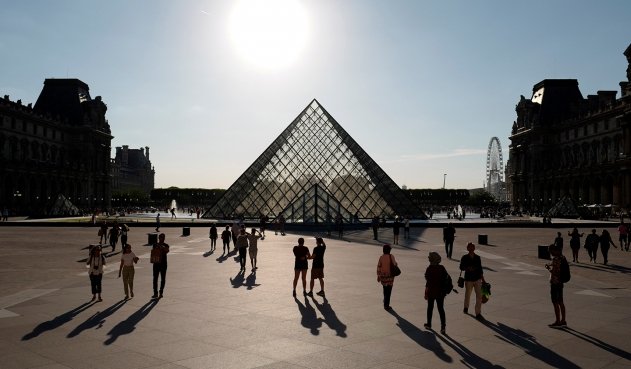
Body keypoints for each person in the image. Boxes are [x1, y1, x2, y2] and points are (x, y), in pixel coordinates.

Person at [459, 242, 485, 320]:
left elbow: (480, 269)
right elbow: (461, 267)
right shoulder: (464, 257)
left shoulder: (477, 257)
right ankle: (466, 307)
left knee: (479, 296)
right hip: (468, 279)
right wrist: (467, 268)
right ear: (467, 248)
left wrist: (483, 279)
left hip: (477, 279)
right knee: (468, 294)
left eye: (472, 247)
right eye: (469, 247)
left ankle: (478, 313)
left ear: (474, 248)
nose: (471, 248)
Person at [424, 252, 447, 334]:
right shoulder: (442, 268)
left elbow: (427, 280)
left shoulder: (429, 268)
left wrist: (426, 292)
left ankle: (429, 324)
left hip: (431, 291)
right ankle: (443, 327)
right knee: (441, 309)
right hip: (440, 292)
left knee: (430, 308)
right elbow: (445, 278)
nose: (428, 258)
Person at [545, 244, 567, 327]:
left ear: (554, 250)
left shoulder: (555, 259)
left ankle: (557, 321)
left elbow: (554, 272)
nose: (550, 253)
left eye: (550, 251)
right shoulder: (562, 257)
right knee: (561, 302)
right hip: (560, 282)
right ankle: (563, 320)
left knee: (555, 302)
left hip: (555, 283)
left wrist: (548, 268)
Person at [377, 244, 397, 310]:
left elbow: (379, 267)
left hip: (383, 277)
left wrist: (378, 275)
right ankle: (386, 305)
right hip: (390, 277)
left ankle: (385, 300)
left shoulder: (381, 257)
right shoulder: (391, 256)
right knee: (389, 291)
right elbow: (395, 264)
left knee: (385, 289)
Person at [150, 233, 170, 299]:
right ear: (159, 238)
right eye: (161, 237)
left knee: (163, 279)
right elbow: (153, 252)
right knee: (155, 278)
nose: (162, 239)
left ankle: (161, 292)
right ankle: (155, 293)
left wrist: (162, 247)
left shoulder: (166, 245)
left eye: (163, 237)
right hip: (156, 264)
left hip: (163, 264)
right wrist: (157, 247)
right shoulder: (155, 244)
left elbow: (167, 251)